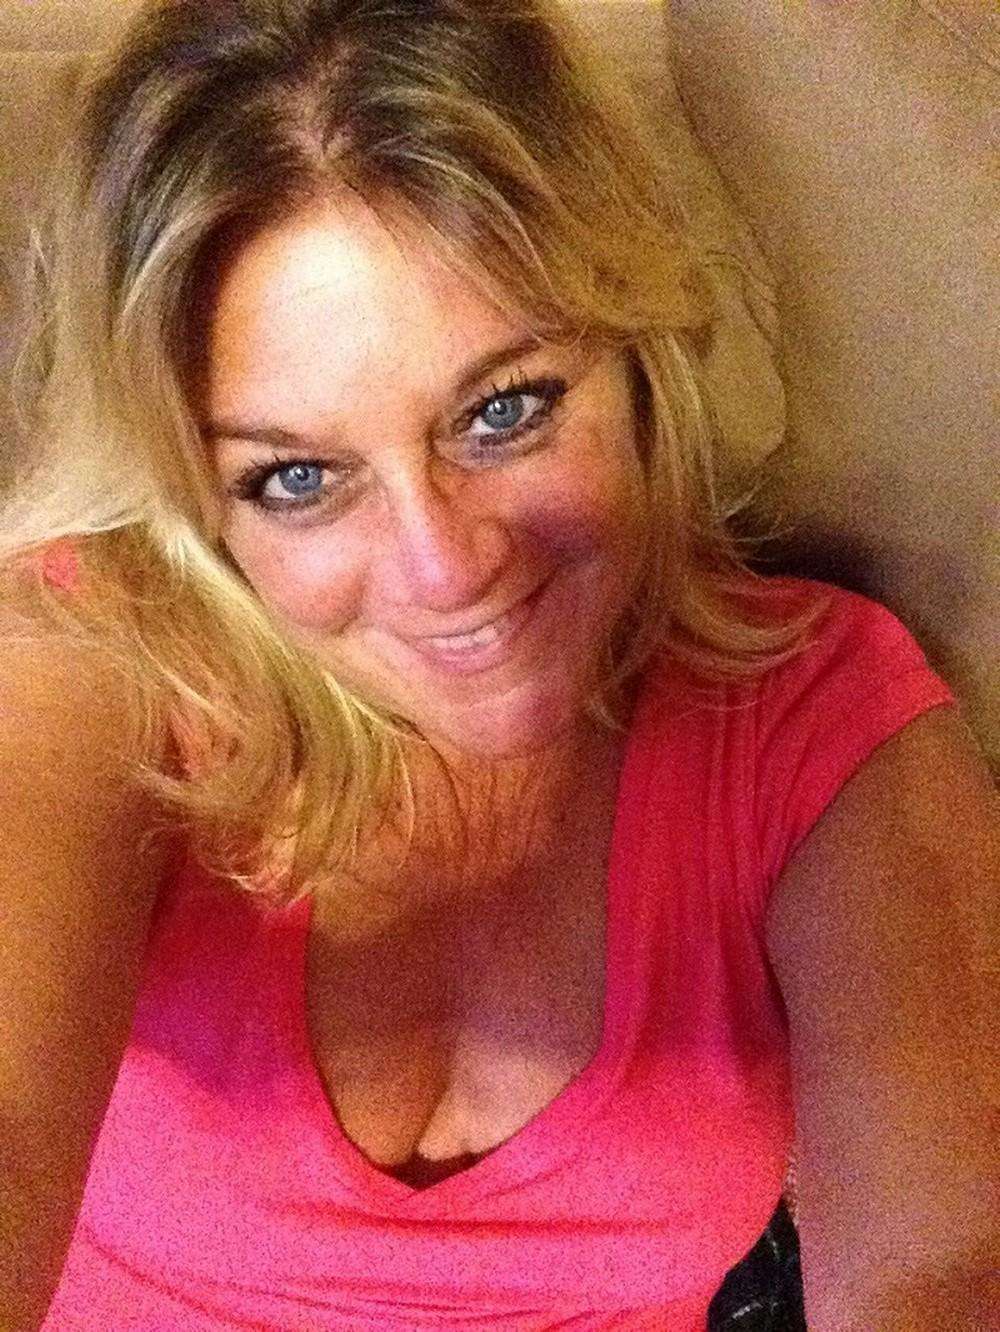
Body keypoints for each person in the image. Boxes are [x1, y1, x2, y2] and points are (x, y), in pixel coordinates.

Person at [1, 1, 996, 1328]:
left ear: (632, 351)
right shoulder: (87, 667)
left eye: (505, 411)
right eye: (298, 478)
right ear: (197, 502)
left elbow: (948, 1266)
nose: (446, 567)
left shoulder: (818, 714)